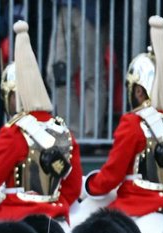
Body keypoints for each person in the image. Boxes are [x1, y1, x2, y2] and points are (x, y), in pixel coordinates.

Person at [0, 21, 82, 224]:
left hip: (14, 221)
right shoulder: (64, 132)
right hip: (56, 223)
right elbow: (72, 189)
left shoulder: (13, 133)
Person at [78, 16, 163, 233]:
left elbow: (111, 177)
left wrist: (89, 186)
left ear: (140, 92)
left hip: (134, 209)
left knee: (81, 231)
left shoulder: (133, 123)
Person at [46, 0, 107, 139]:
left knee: (91, 74)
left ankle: (91, 136)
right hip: (63, 8)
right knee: (56, 74)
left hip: (91, 10)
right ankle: (72, 135)